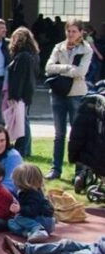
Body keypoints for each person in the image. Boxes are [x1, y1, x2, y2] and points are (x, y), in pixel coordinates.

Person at [44, 18, 92, 180]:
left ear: (81, 32)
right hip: (58, 93)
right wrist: (67, 68)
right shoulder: (59, 47)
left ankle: (79, 172)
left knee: (77, 134)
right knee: (59, 134)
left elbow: (81, 72)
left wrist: (63, 70)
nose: (71, 34)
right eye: (68, 31)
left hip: (76, 94)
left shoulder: (86, 49)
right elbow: (49, 67)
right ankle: (55, 169)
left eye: (74, 31)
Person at [6, 27, 40, 158]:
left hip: (21, 93)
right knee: (24, 120)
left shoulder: (22, 56)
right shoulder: (33, 55)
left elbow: (18, 78)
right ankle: (25, 147)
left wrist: (14, 95)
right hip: (28, 91)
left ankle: (23, 148)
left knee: (22, 121)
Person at [7, 164, 55, 242]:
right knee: (11, 222)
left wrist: (20, 209)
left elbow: (33, 211)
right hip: (35, 221)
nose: (13, 182)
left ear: (23, 181)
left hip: (43, 221)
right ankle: (28, 233)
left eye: (15, 180)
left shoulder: (34, 194)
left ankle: (39, 230)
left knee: (19, 217)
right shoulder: (23, 192)